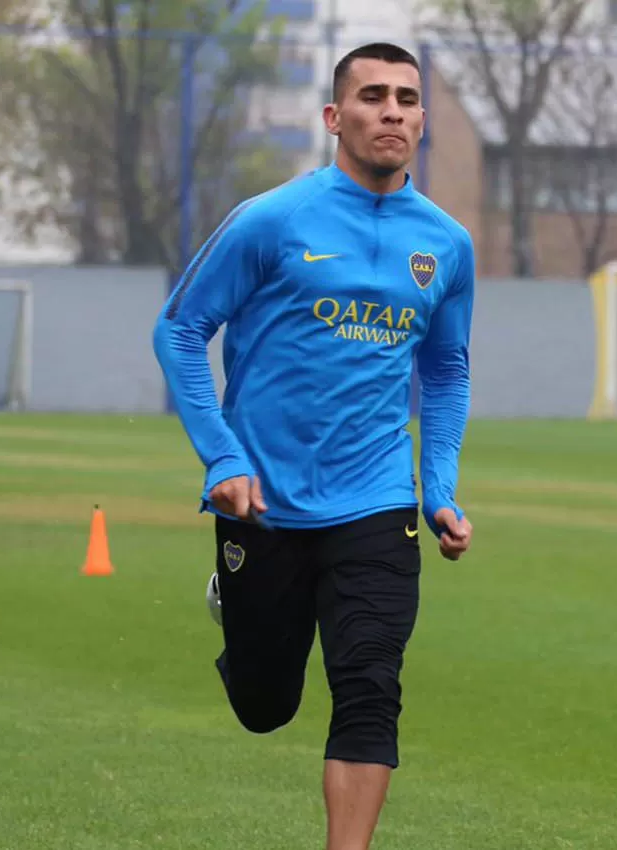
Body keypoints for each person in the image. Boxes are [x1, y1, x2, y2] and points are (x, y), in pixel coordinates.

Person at [152, 42, 475, 850]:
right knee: (267, 706)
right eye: (372, 96)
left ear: (422, 120)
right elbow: (181, 330)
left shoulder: (447, 244)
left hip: (377, 500)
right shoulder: (272, 220)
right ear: (335, 117)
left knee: (370, 686)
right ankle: (236, 605)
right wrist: (223, 460)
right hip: (264, 502)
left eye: (406, 97)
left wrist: (438, 489)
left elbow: (445, 369)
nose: (391, 110)